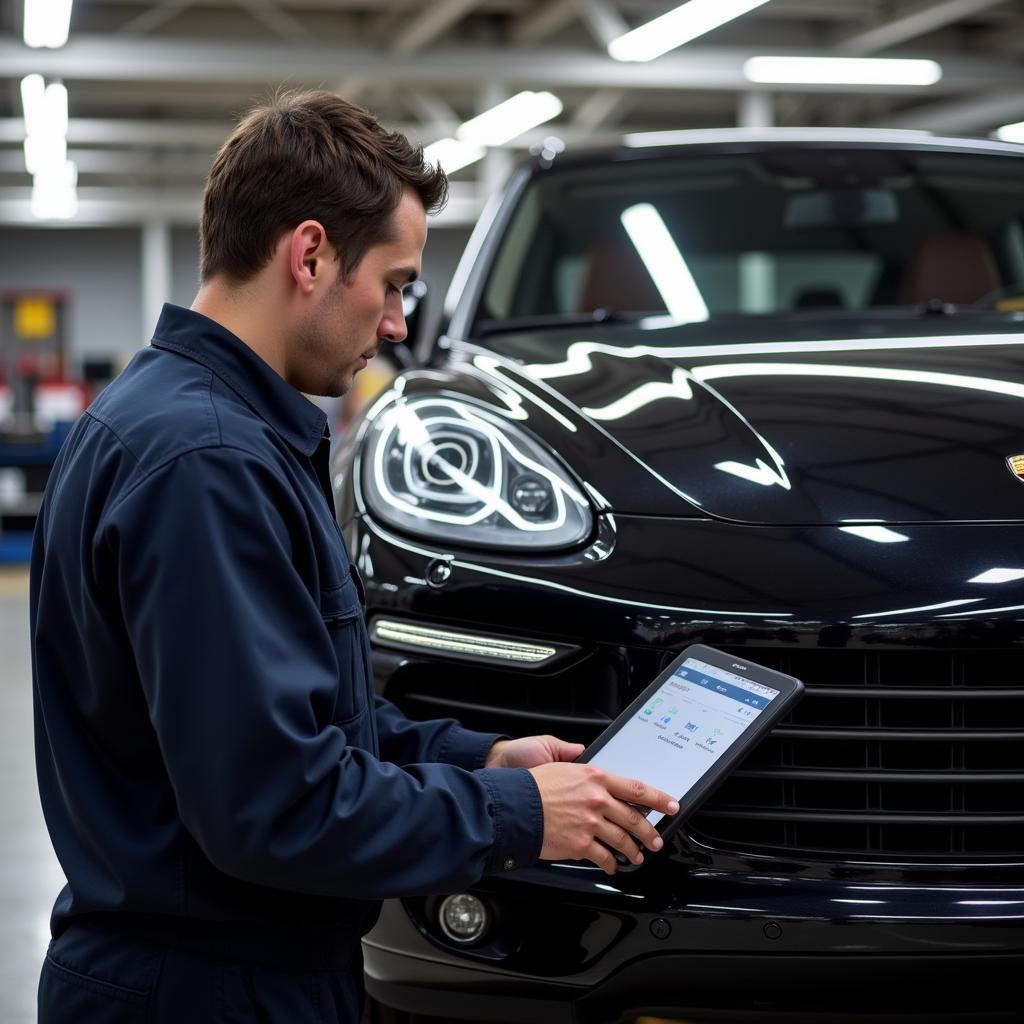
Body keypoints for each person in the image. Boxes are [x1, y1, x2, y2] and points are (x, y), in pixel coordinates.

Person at [29, 91, 677, 1023]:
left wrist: (487, 757)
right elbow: (277, 807)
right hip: (208, 993)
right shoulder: (207, 464)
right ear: (310, 254)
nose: (399, 325)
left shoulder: (186, 424)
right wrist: (519, 817)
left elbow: (299, 725)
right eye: (397, 283)